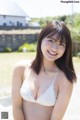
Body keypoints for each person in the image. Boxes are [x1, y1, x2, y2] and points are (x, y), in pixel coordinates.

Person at [12, 20, 77, 120]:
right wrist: (3, 117)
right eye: (51, 40)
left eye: (61, 44)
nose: (55, 48)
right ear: (41, 38)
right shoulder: (20, 68)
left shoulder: (65, 79)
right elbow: (16, 107)